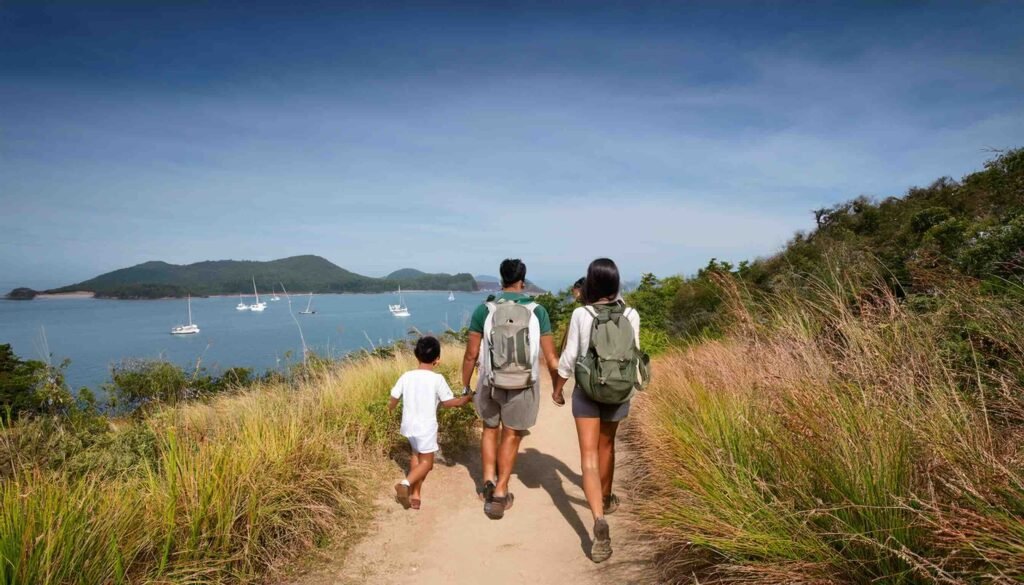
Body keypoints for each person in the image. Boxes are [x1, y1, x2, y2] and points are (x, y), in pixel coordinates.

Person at [553, 258, 643, 563]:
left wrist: (557, 389)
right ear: (616, 283)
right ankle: (606, 497)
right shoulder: (631, 314)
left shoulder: (582, 314)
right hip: (618, 391)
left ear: (590, 283)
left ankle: (598, 519)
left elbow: (569, 358)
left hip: (587, 392)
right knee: (608, 447)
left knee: (589, 458)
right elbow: (634, 354)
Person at [462, 258, 559, 519]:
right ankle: (501, 492)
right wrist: (557, 387)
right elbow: (551, 357)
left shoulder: (485, 310)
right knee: (512, 434)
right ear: (522, 282)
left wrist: (466, 385)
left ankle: (487, 481)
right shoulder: (538, 311)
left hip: (489, 381)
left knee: (489, 429)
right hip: (523, 383)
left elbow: (471, 354)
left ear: (501, 280)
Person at [389, 336, 472, 510]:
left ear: (416, 355)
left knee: (416, 456)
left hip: (408, 426)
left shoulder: (406, 376)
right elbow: (448, 402)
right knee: (427, 463)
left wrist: (390, 408)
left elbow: (394, 397)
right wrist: (463, 400)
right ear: (437, 358)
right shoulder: (437, 379)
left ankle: (415, 494)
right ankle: (404, 484)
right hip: (425, 428)